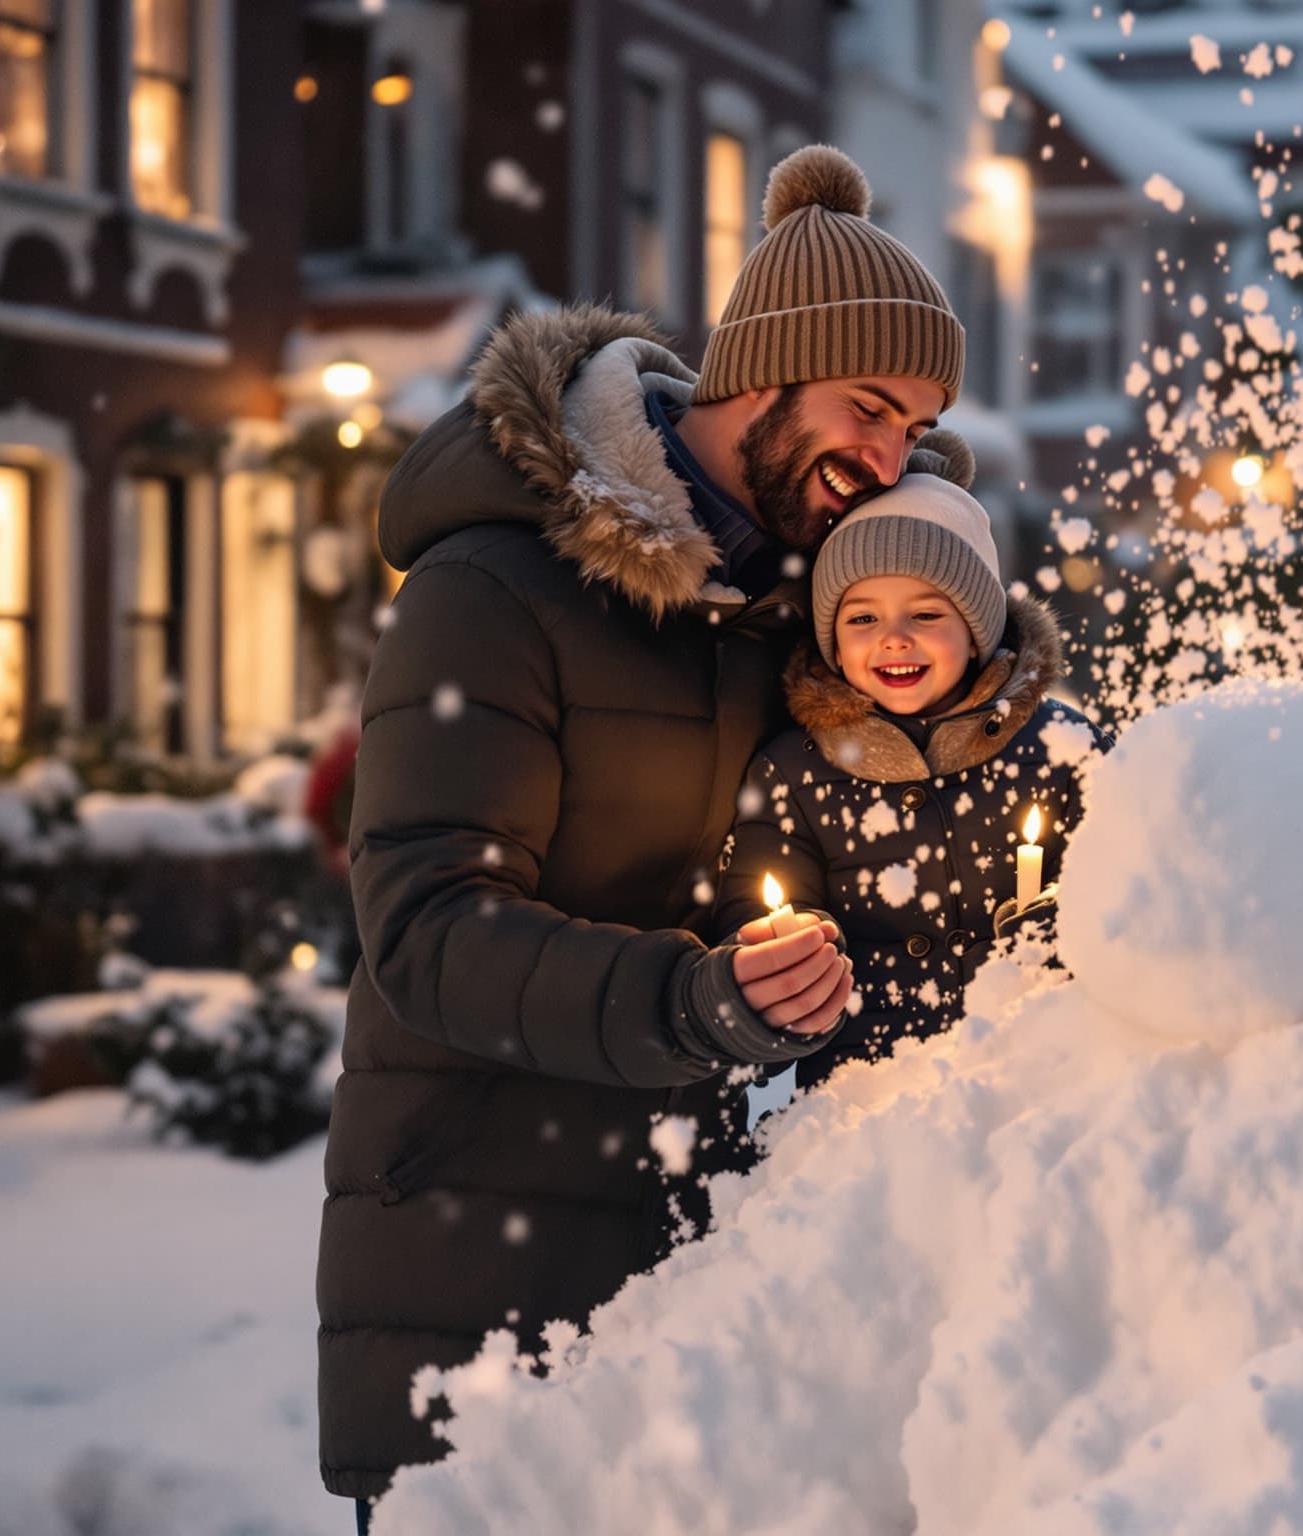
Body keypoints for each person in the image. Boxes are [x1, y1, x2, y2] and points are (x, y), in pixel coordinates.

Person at [318, 146, 966, 1516]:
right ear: (765, 373)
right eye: (868, 405)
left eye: (914, 430)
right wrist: (693, 1001)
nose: (887, 452)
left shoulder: (815, 608)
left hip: (708, 1284)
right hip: (478, 1262)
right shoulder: (493, 589)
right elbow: (428, 928)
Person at [711, 443, 1101, 1086]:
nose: (894, 637)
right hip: (871, 1093)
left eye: (926, 614)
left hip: (1045, 1080)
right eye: (863, 617)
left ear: (976, 630)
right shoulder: (796, 773)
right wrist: (787, 959)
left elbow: (1129, 883)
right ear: (833, 639)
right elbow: (752, 915)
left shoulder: (1059, 746)